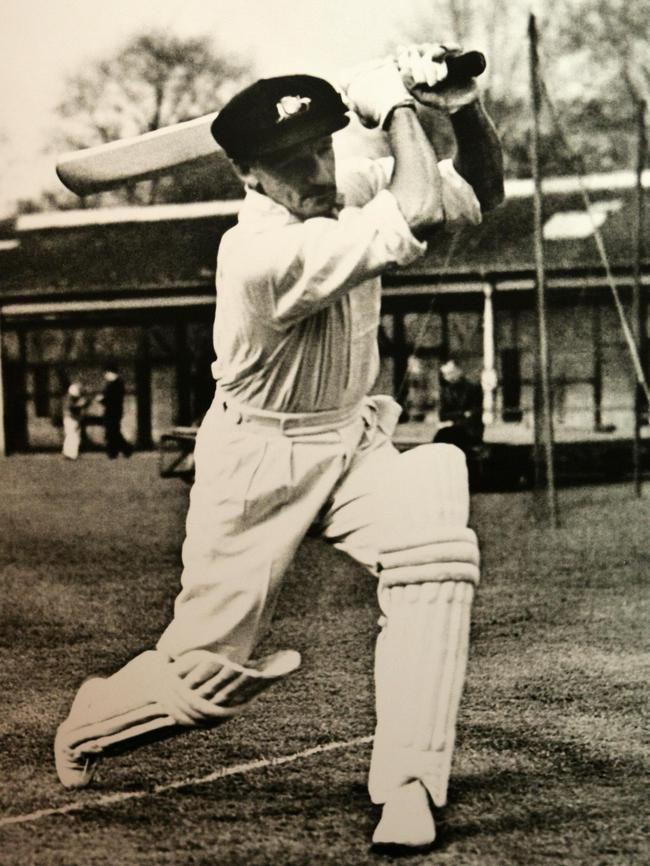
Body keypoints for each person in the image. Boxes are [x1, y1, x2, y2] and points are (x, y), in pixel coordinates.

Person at [55, 43, 504, 850]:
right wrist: (394, 107)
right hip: (257, 463)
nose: (317, 175)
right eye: (289, 164)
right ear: (250, 178)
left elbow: (477, 194)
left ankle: (408, 787)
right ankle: (93, 721)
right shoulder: (260, 256)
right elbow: (418, 209)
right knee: (204, 673)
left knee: (436, 547)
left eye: (320, 150)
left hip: (352, 440)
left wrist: (460, 107)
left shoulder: (352, 185)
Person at [434, 359, 484, 454]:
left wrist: (454, 420)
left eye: (450, 373)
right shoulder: (445, 391)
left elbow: (475, 413)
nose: (448, 377)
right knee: (439, 442)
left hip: (469, 429)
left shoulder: (473, 388)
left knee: (449, 438)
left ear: (458, 371)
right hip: (450, 428)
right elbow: (442, 415)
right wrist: (462, 414)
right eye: (445, 374)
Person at [99, 364, 133, 458]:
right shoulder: (117, 383)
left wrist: (102, 400)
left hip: (113, 411)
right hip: (114, 411)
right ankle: (121, 450)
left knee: (112, 431)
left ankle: (121, 450)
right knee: (114, 431)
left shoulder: (116, 384)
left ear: (111, 373)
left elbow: (113, 399)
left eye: (106, 373)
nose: (105, 376)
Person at [61, 381, 89, 460]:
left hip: (72, 418)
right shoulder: (70, 399)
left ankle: (68, 452)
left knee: (72, 435)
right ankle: (71, 453)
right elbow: (73, 408)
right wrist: (82, 404)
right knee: (73, 435)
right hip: (71, 418)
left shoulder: (70, 398)